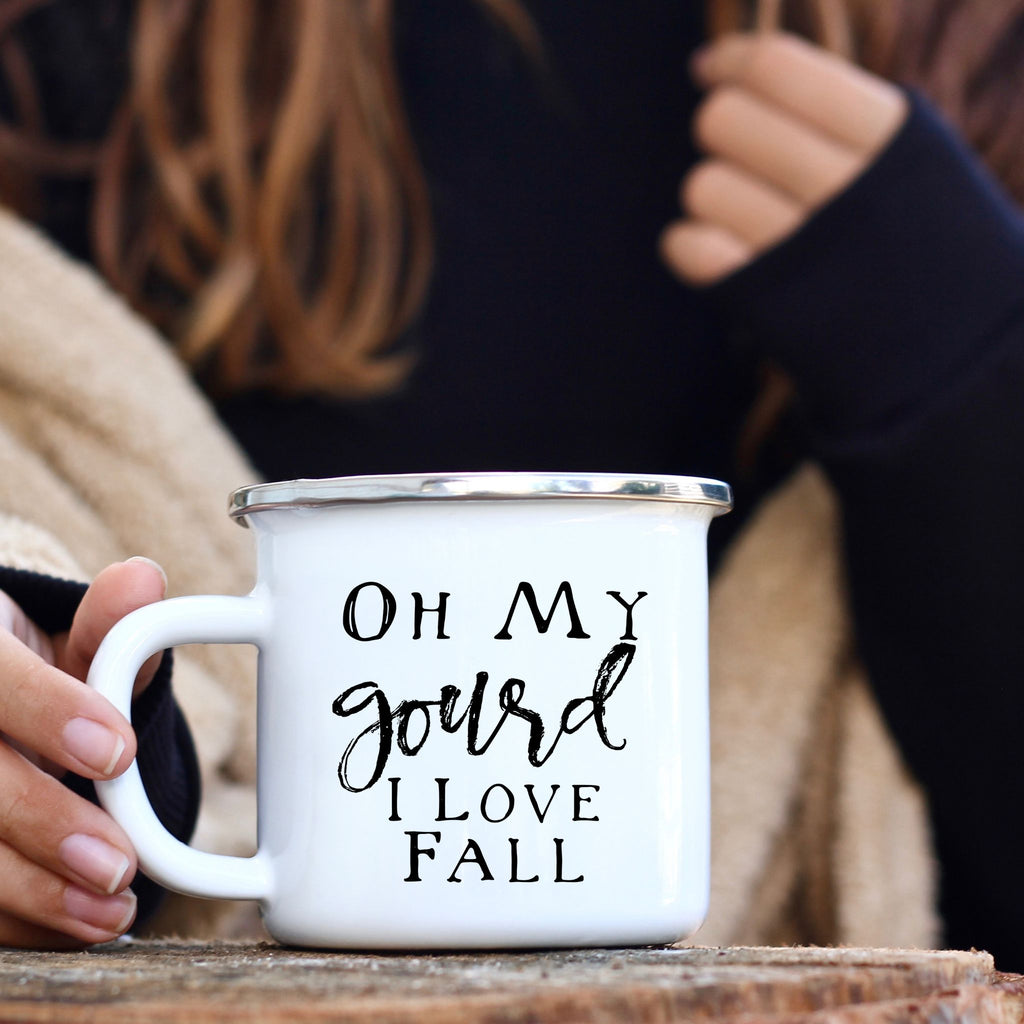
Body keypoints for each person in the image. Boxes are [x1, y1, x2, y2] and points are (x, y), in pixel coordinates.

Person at [0, 0, 1022, 966]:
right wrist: (79, 744)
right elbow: (78, 501)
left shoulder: (983, 58)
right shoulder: (96, 62)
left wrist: (972, 366)